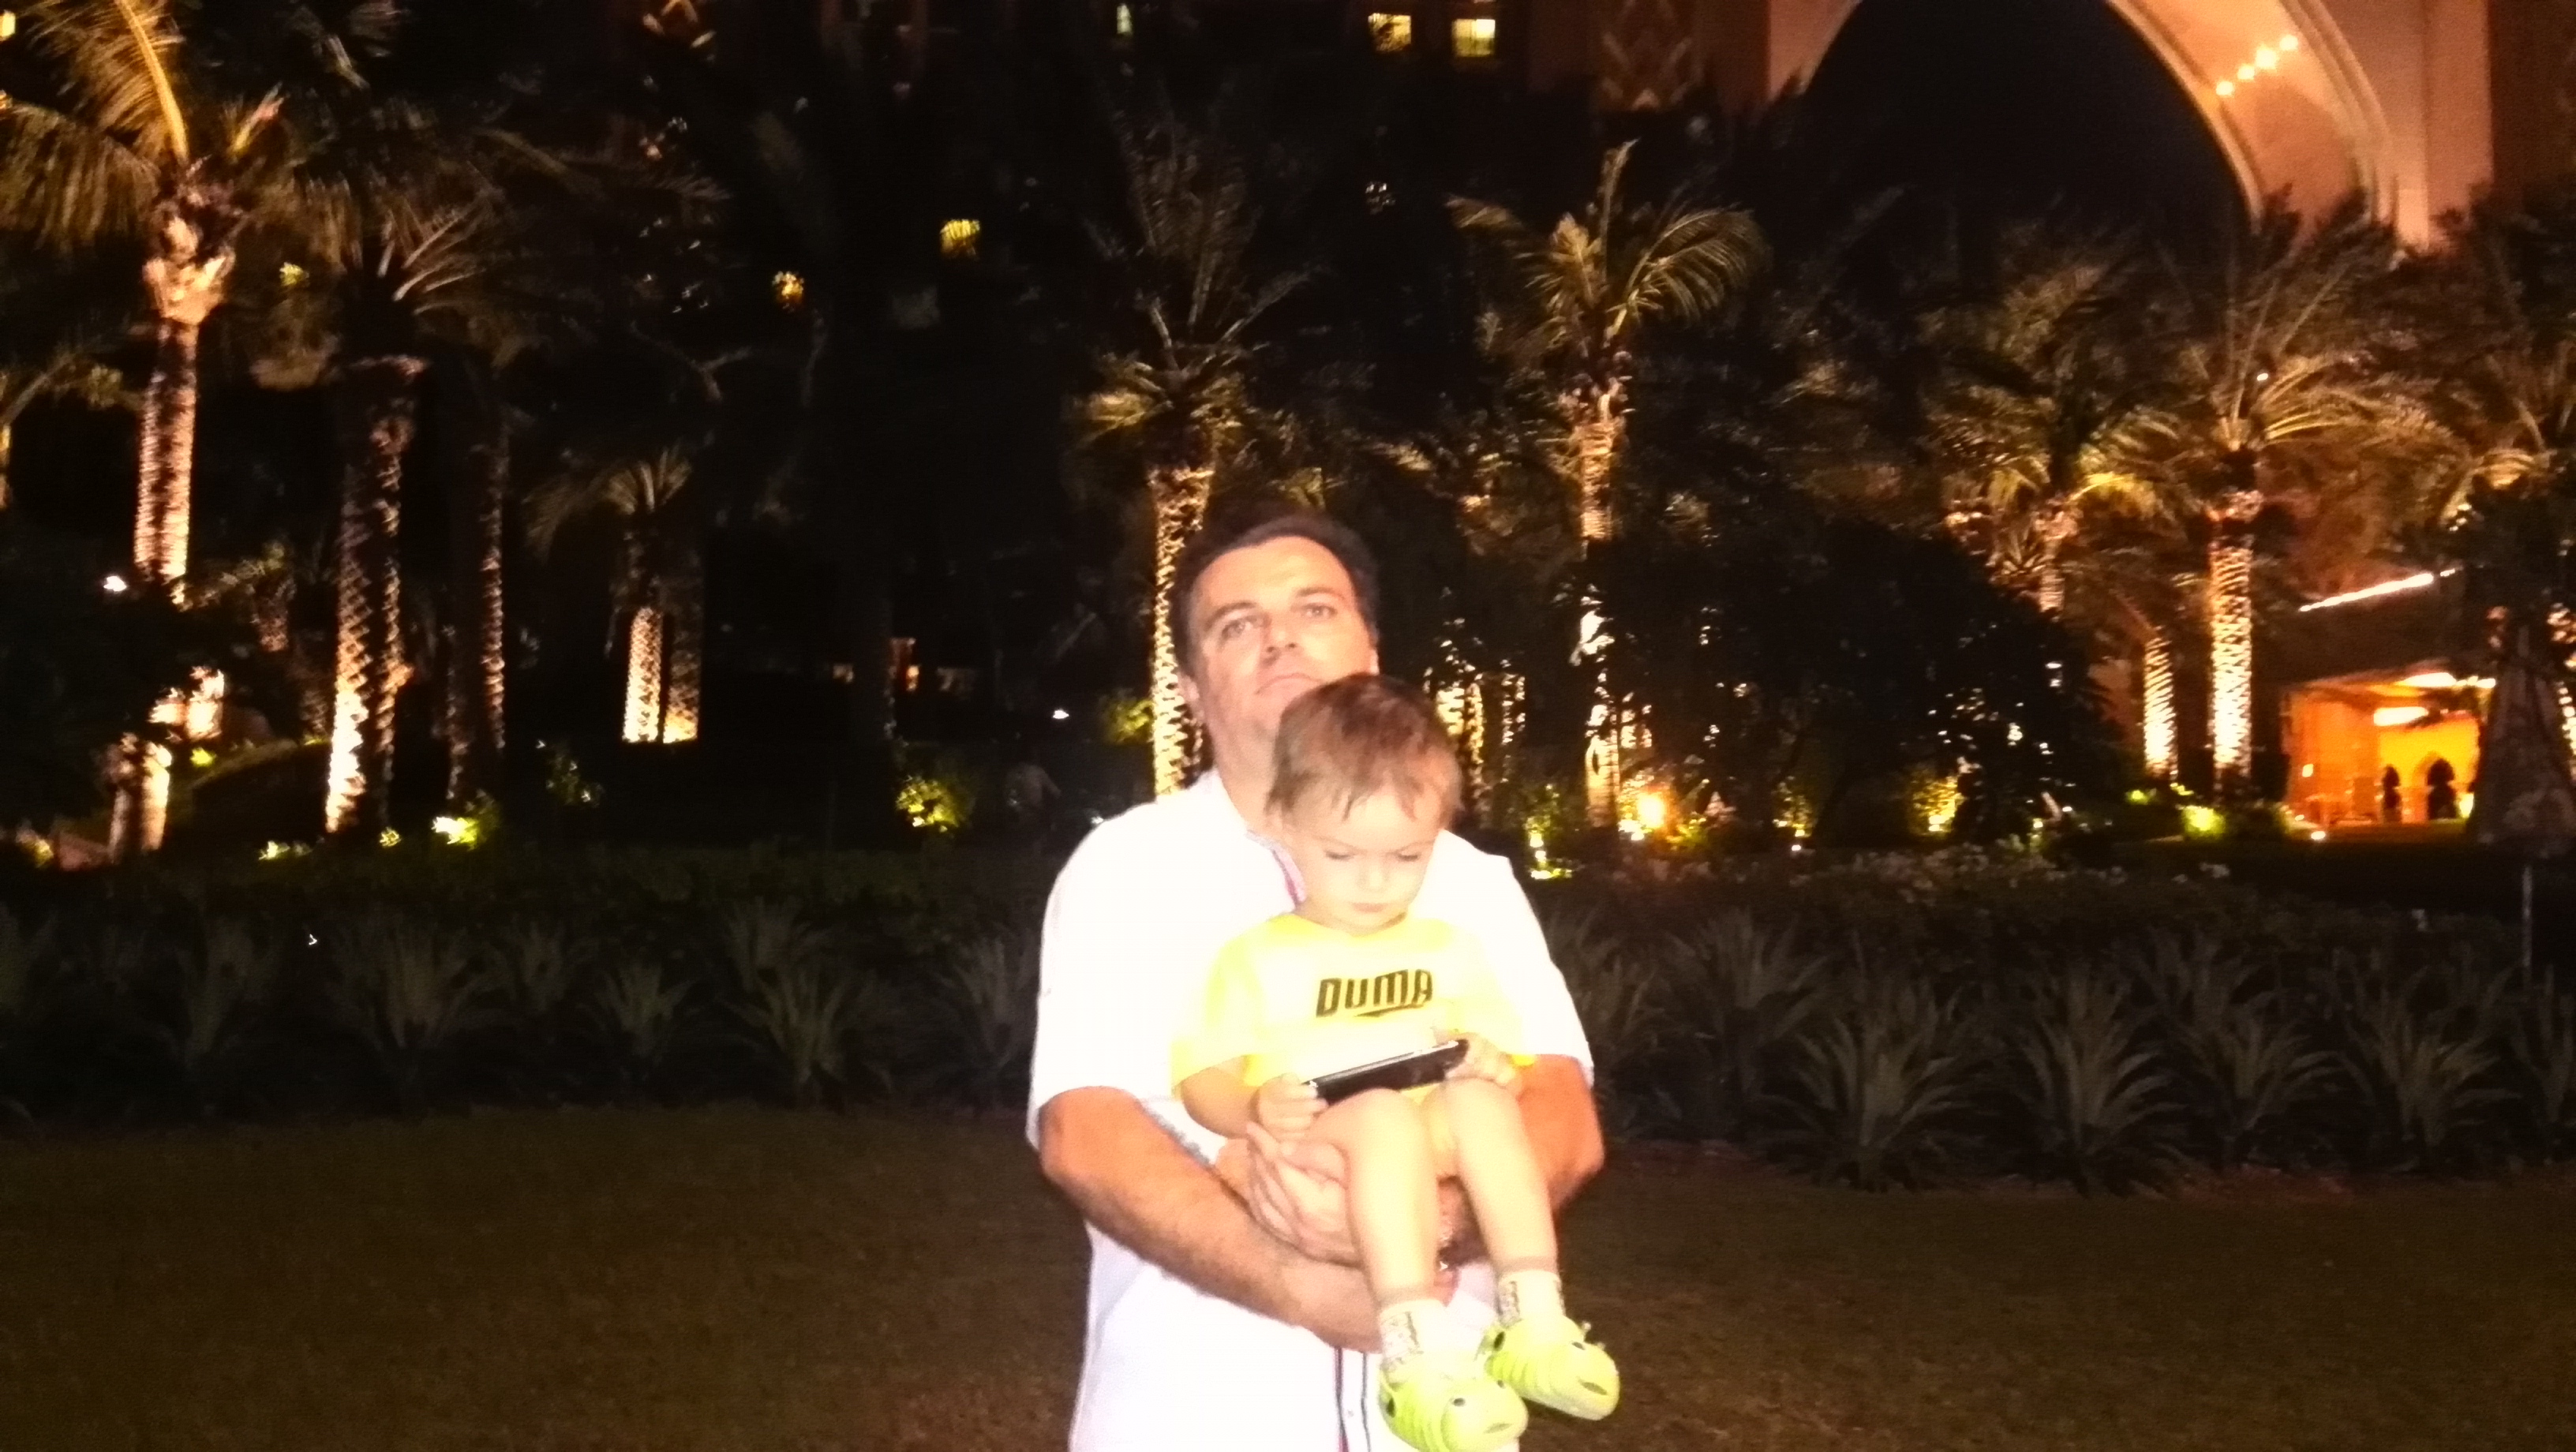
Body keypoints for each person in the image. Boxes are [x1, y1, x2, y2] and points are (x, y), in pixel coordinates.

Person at [1029, 508, 1602, 1452]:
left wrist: (1434, 1221)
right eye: (1237, 624)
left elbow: (1562, 1114)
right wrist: (1301, 1282)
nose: (1280, 637)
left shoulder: (1465, 879)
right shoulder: (1126, 871)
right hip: (1200, 1418)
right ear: (1190, 688)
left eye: (1315, 609)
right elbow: (1083, 1135)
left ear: (1372, 651)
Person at [1173, 675, 1617, 1452]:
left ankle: (1534, 1314)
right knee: (1380, 1115)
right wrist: (1252, 1108)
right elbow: (1201, 1078)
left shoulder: (1450, 948)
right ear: (1283, 823)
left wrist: (1492, 1064)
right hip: (1318, 1133)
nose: (1376, 882)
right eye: (1343, 855)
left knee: (1482, 1104)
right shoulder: (1257, 958)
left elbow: (1506, 1060)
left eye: (1407, 855)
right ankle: (1417, 1351)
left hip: (1421, 1124)